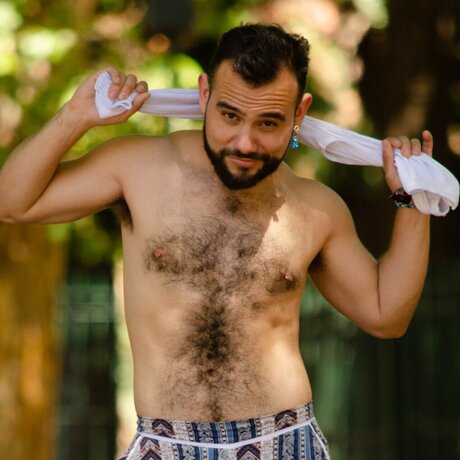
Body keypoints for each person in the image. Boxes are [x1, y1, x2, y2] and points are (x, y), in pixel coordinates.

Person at [0, 24, 431, 459]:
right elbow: (12, 203)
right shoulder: (138, 169)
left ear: (299, 113)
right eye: (229, 116)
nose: (245, 142)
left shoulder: (316, 208)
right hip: (166, 444)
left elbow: (386, 315)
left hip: (284, 443)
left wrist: (412, 199)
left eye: (268, 123)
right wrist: (75, 117)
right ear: (204, 94)